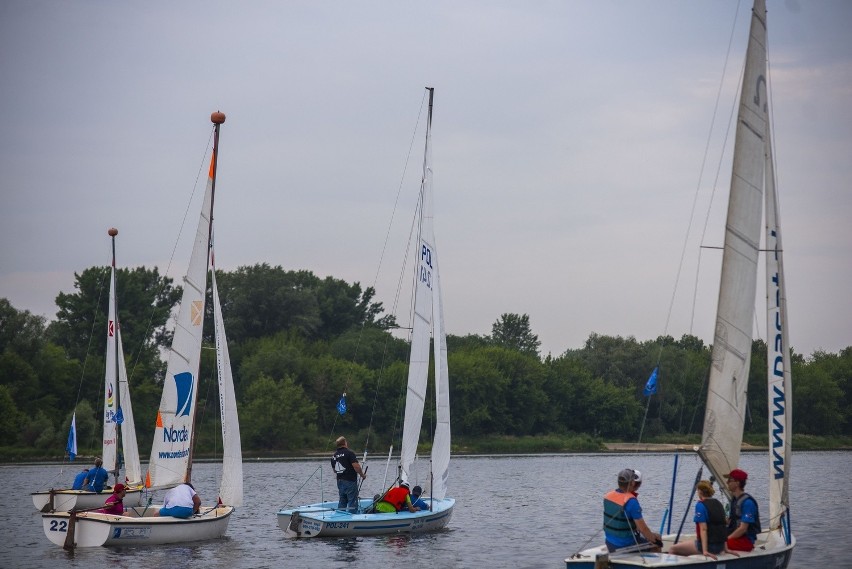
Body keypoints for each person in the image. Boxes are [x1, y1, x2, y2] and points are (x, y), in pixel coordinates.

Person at [603, 468, 662, 553]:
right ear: (633, 483)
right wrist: (655, 540)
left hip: (610, 543)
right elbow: (643, 529)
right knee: (656, 543)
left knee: (650, 536)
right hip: (625, 545)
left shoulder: (608, 496)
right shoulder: (631, 502)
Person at [669, 480, 731, 558]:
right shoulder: (719, 504)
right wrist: (726, 548)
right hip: (720, 545)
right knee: (686, 544)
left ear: (700, 491)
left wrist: (705, 551)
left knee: (672, 549)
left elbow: (703, 529)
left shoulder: (700, 505)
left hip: (708, 547)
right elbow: (723, 526)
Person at [725, 468, 761, 552]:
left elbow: (743, 529)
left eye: (730, 480)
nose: (727, 482)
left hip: (745, 541)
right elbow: (731, 521)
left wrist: (725, 540)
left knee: (716, 545)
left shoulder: (747, 503)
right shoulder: (734, 500)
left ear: (737, 483)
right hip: (736, 538)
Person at [331, 436, 366, 513]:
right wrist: (362, 475)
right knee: (352, 501)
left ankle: (340, 516)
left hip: (339, 481)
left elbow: (334, 470)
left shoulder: (334, 456)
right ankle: (352, 518)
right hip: (350, 481)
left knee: (342, 499)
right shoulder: (349, 453)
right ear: (345, 443)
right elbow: (356, 467)